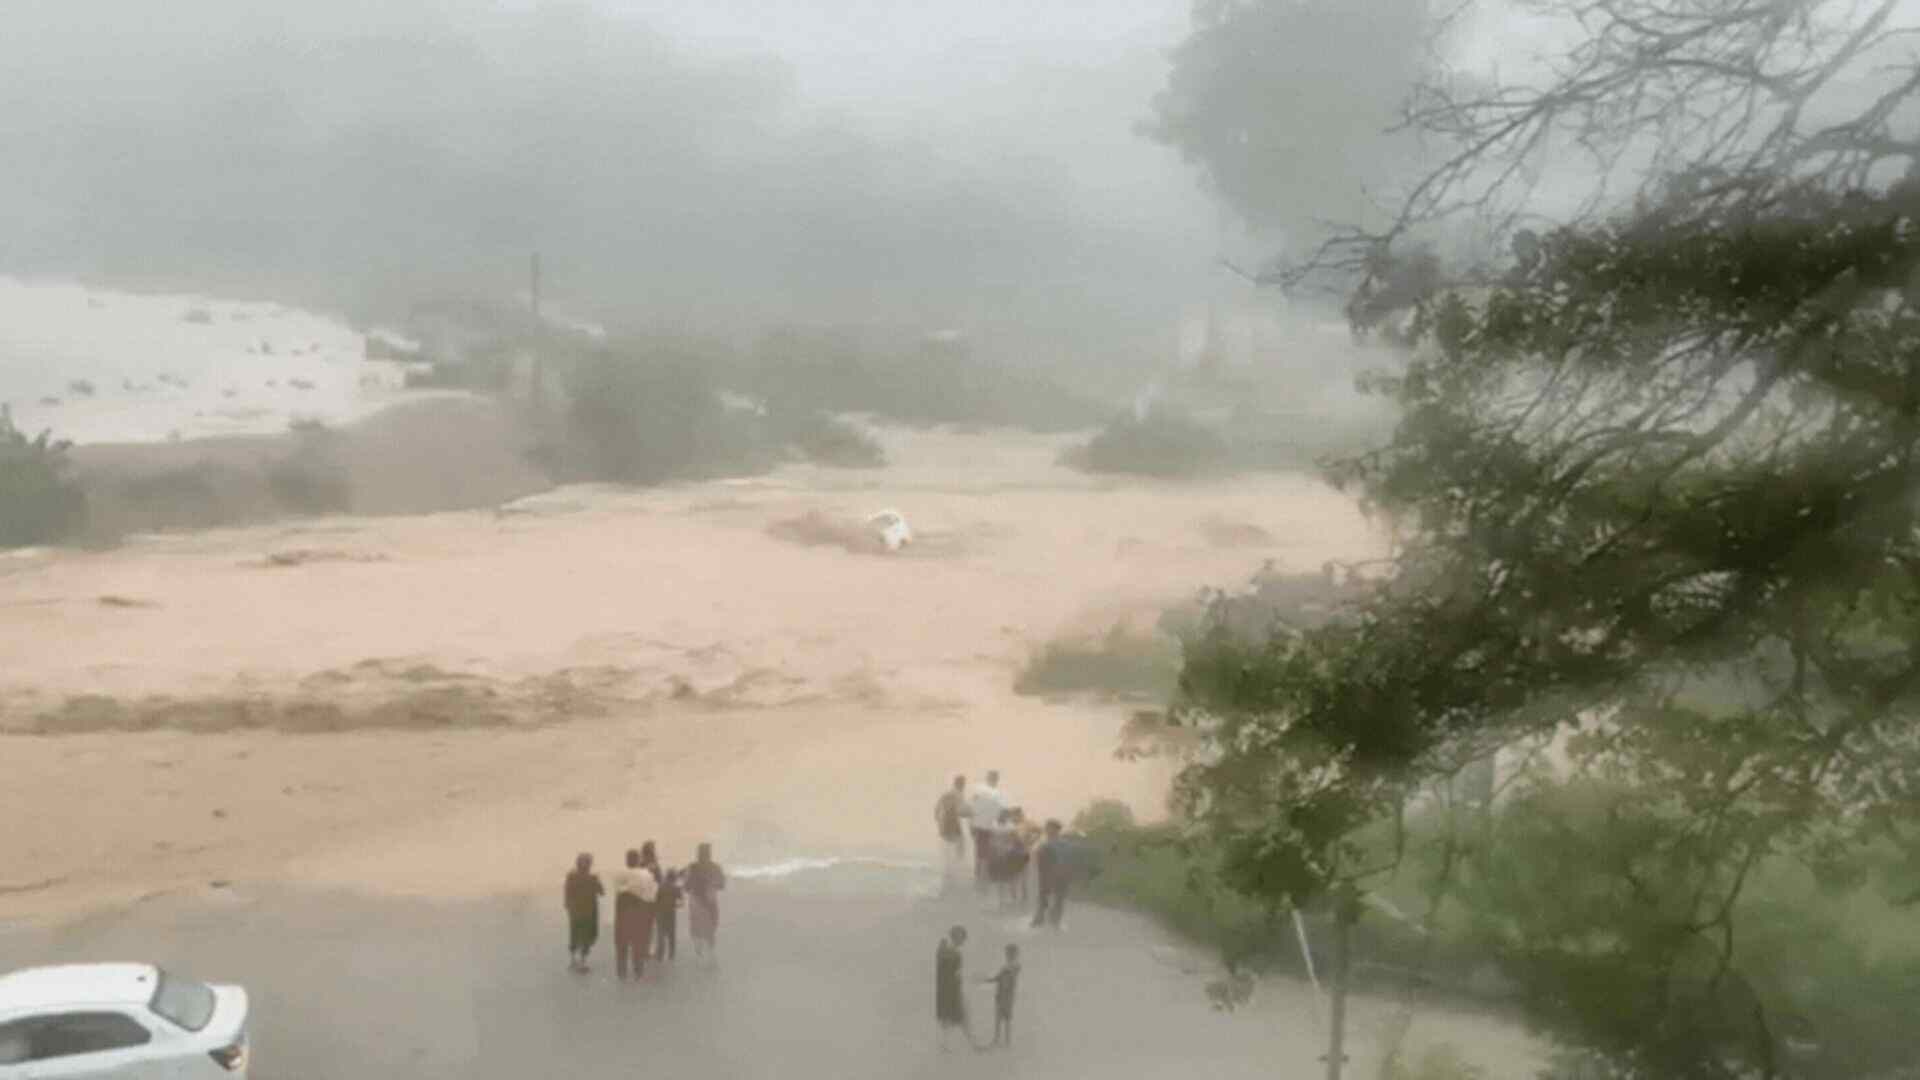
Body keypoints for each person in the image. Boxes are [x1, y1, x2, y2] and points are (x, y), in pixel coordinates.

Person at [613, 848, 660, 980]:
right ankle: (638, 972)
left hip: (622, 911)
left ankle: (621, 973)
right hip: (639, 911)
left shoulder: (618, 874)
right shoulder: (646, 875)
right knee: (638, 943)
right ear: (638, 860)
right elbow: (652, 896)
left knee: (621, 944)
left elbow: (618, 891)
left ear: (626, 860)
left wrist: (628, 889)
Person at [934, 926, 980, 1052]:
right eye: (962, 939)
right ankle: (974, 1044)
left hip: (947, 990)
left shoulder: (943, 950)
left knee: (950, 1018)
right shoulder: (954, 954)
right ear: (956, 938)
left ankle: (946, 1045)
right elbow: (956, 974)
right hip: (953, 990)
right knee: (962, 1016)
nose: (963, 942)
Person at [563, 853, 604, 972]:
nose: (588, 865)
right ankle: (581, 961)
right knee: (585, 935)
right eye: (588, 862)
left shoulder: (572, 875)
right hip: (587, 911)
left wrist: (568, 905)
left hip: (578, 910)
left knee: (576, 933)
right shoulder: (592, 877)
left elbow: (567, 891)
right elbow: (602, 892)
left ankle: (575, 960)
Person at [967, 771, 1009, 890]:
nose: (994, 781)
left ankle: (983, 881)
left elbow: (1000, 811)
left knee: (987, 855)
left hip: (990, 828)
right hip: (982, 828)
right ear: (988, 779)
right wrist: (972, 826)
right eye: (992, 779)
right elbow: (972, 810)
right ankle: (979, 882)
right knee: (981, 856)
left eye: (995, 779)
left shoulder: (997, 794)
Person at [686, 842, 726, 962]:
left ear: (698, 853)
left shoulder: (692, 867)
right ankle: (710, 953)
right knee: (711, 927)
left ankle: (700, 952)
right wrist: (712, 885)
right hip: (709, 900)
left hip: (696, 902)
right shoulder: (715, 867)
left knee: (697, 928)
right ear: (709, 853)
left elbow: (686, 886)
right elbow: (722, 885)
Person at [981, 943, 1021, 1049]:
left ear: (1015, 954)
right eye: (1007, 953)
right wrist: (986, 980)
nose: (1008, 955)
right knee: (998, 1018)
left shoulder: (1015, 966)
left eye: (1010, 953)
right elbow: (997, 978)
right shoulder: (1006, 967)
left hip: (1008, 997)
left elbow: (1011, 975)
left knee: (1007, 1019)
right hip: (1000, 995)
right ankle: (997, 1040)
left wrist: (1003, 974)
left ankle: (1007, 1042)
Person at [1031, 820, 1069, 930]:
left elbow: (1066, 858)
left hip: (1060, 872)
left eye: (1051, 828)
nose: (1048, 830)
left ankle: (1055, 920)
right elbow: (1035, 856)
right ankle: (1040, 918)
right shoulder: (1042, 843)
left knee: (1058, 897)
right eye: (1047, 828)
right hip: (1045, 873)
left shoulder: (1062, 843)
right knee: (1043, 896)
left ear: (1057, 830)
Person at [933, 775, 969, 884]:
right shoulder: (958, 794)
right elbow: (961, 811)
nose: (964, 786)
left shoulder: (946, 794)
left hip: (944, 825)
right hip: (953, 824)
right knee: (961, 843)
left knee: (949, 848)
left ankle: (949, 870)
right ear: (961, 784)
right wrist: (971, 814)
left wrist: (939, 821)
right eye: (963, 784)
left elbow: (936, 808)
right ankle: (957, 867)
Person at [654, 868, 684, 963]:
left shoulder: (660, 887)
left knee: (661, 934)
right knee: (671, 935)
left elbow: (655, 900)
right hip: (671, 913)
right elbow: (681, 902)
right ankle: (671, 955)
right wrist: (676, 905)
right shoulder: (676, 888)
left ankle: (660, 956)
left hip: (660, 913)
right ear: (674, 878)